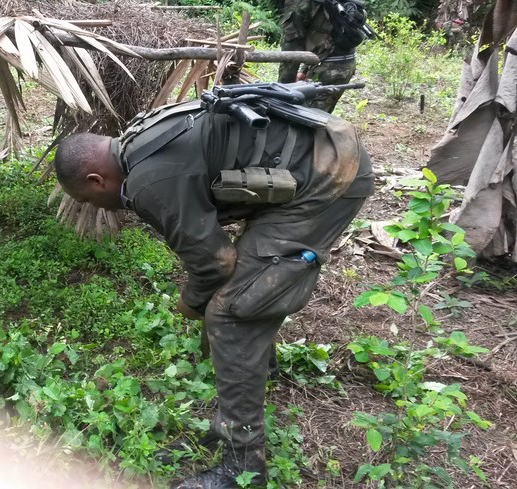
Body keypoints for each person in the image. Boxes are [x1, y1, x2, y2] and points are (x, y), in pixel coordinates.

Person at [53, 96, 374, 488]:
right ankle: (254, 371)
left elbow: (215, 263)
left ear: (95, 180)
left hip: (328, 177)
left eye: (89, 200)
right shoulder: (136, 139)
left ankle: (244, 463)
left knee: (231, 312)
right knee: (244, 288)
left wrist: (189, 304)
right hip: (318, 156)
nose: (99, 206)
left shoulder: (148, 181)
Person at [278, 0, 370, 113]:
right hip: (341, 65)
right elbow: (322, 35)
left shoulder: (298, 4)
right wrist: (304, 70)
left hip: (327, 70)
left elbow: (291, 53)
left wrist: (282, 91)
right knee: (315, 118)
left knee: (304, 120)